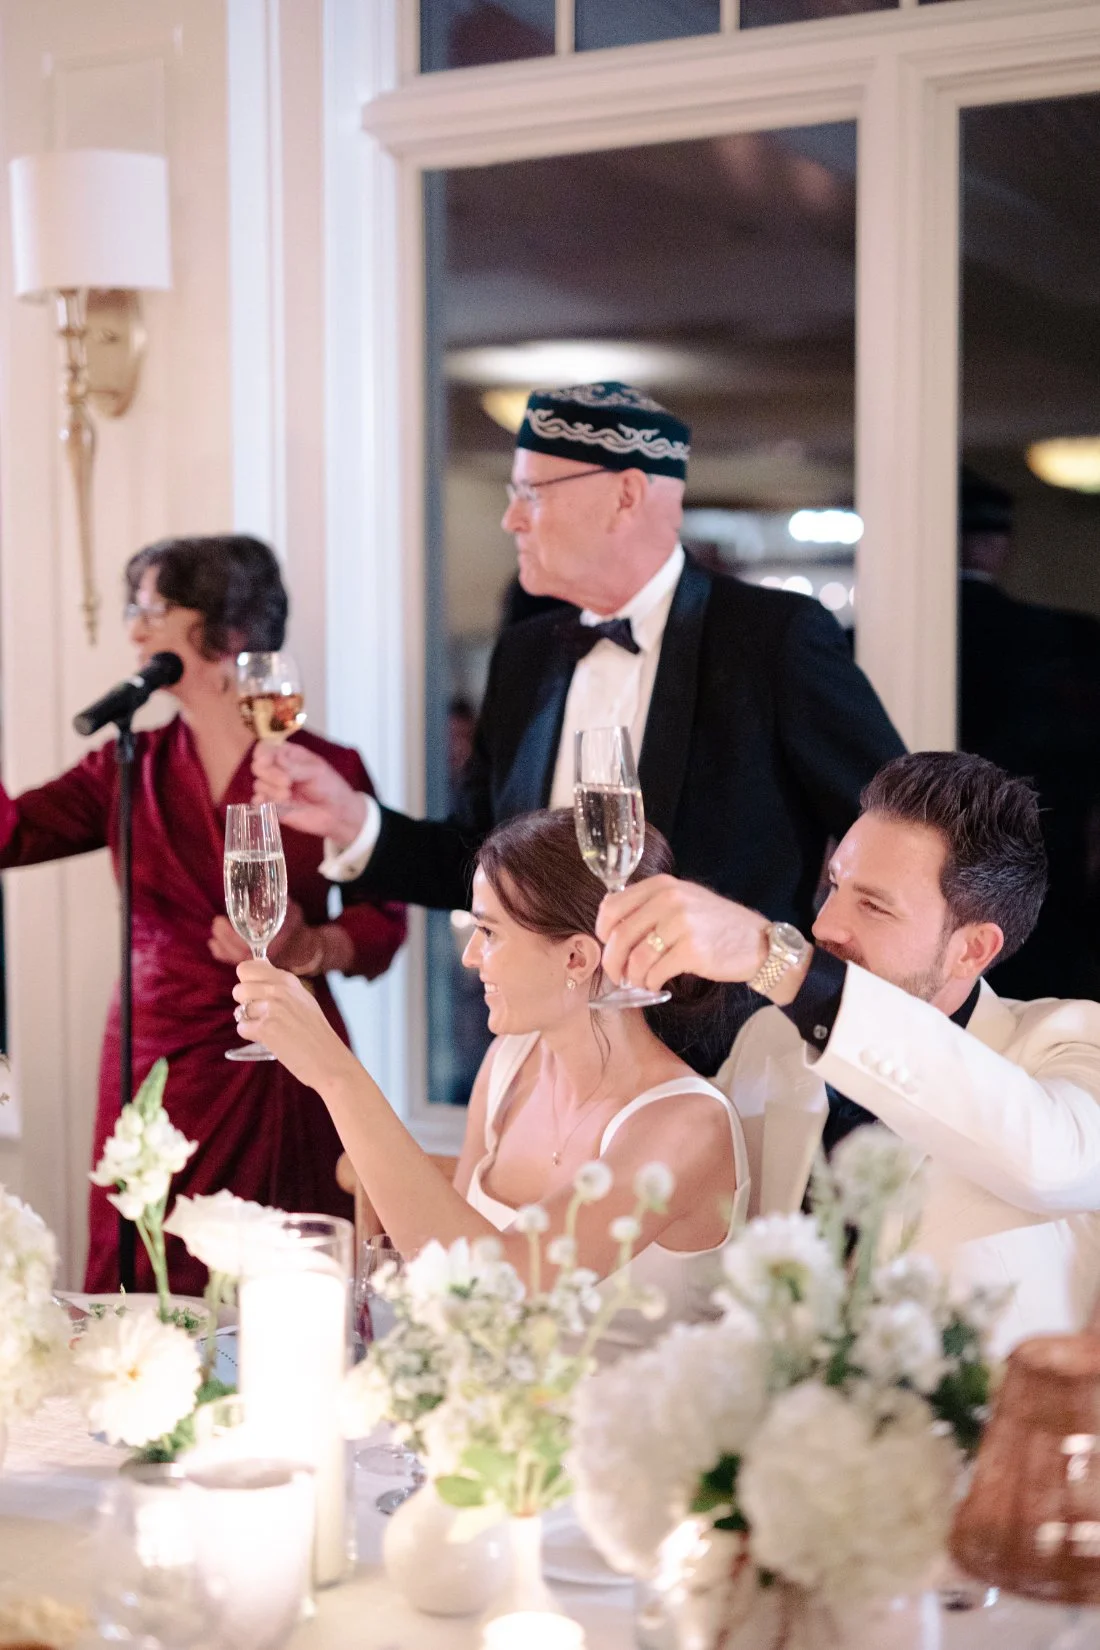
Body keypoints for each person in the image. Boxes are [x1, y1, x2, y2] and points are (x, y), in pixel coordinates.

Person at [251, 381, 905, 1072]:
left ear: (626, 495)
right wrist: (354, 821)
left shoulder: (771, 639)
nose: (511, 519)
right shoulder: (525, 655)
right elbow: (482, 861)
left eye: (531, 493)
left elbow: (894, 835)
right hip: (543, 1066)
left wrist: (819, 983)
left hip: (724, 1062)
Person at [0, 535, 406, 1294]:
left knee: (288, 1279)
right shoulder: (127, 764)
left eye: (152, 609)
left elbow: (384, 924)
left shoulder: (322, 768)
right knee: (147, 1273)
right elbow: (10, 833)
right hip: (156, 1060)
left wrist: (311, 945)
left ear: (222, 626)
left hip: (283, 1051)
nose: (134, 630)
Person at [596, 750, 1100, 1356]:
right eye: (834, 886)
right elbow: (699, 1264)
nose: (826, 926)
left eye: (874, 905)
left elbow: (1048, 1162)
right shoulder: (770, 1042)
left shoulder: (1067, 1042)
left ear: (972, 950)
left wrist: (773, 959)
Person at [231, 809, 749, 1349]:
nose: (471, 957)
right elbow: (446, 1271)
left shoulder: (686, 1125)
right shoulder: (510, 1064)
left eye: (488, 932)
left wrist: (337, 1076)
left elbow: (500, 1288)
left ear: (577, 958)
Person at [958, 467, 1100, 1000]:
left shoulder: (864, 638)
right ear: (999, 545)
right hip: (1047, 854)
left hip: (930, 850)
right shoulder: (1067, 639)